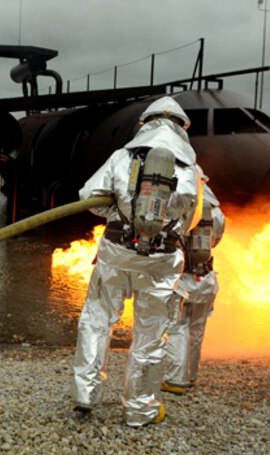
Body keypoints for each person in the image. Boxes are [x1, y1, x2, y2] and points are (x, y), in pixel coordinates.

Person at [71, 95, 203, 427]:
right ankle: (140, 410)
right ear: (182, 129)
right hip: (161, 259)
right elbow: (192, 217)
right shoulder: (190, 167)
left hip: (116, 251)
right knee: (150, 335)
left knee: (97, 321)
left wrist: (119, 210)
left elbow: (88, 198)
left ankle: (85, 394)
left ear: (143, 124)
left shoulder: (121, 156)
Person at [162, 181, 225, 394]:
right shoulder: (216, 213)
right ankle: (191, 377)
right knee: (196, 330)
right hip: (205, 280)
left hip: (180, 281)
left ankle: (175, 379)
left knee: (177, 327)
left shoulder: (177, 207)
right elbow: (214, 242)